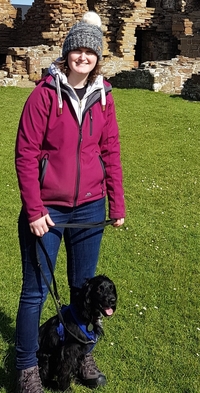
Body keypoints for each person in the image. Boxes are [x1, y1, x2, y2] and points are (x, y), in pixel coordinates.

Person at [15, 10, 125, 393]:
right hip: (47, 210)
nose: (83, 56)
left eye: (90, 51)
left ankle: (82, 353)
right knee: (35, 292)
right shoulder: (44, 95)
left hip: (90, 207)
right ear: (67, 52)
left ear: (98, 57)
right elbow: (25, 154)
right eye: (77, 49)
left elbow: (110, 150)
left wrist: (118, 205)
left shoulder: (104, 96)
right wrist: (34, 210)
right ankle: (27, 367)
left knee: (83, 289)